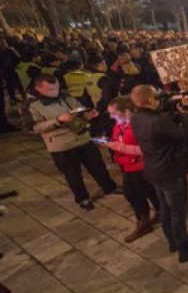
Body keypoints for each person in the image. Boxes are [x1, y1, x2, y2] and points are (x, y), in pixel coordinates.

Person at [129, 85, 188, 262]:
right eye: (156, 98)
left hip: (153, 170)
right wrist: (187, 114)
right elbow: (186, 137)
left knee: (165, 208)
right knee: (178, 213)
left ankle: (173, 242)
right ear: (149, 100)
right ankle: (185, 251)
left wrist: (176, 114)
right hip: (169, 172)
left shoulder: (136, 119)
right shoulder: (157, 122)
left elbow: (162, 132)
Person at [21, 74, 120, 210]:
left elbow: (79, 109)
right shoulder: (31, 105)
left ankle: (109, 187)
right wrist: (58, 121)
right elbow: (32, 128)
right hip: (61, 145)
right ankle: (82, 198)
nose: (55, 91)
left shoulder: (65, 96)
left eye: (56, 87)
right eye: (50, 89)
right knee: (73, 174)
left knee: (97, 165)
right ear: (38, 88)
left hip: (83, 138)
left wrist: (88, 115)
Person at [104, 96, 160, 243]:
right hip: (127, 165)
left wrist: (118, 147)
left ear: (126, 111)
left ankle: (156, 214)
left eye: (114, 113)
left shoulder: (139, 125)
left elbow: (147, 148)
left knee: (148, 190)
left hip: (141, 166)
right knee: (132, 193)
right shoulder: (119, 125)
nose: (111, 117)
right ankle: (145, 220)